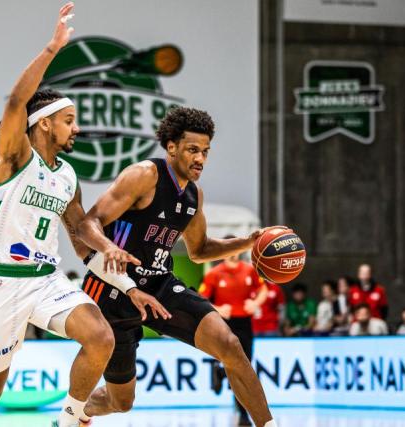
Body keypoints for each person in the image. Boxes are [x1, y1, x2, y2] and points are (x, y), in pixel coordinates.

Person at [0, 5, 119, 427]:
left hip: (46, 280)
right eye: (69, 121)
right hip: (2, 285)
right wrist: (52, 48)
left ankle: (69, 418)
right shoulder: (14, 158)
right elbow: (16, 101)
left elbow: (79, 233)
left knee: (101, 337)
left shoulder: (67, 175)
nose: (76, 129)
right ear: (44, 124)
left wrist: (122, 278)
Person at [76, 105, 279, 427]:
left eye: (206, 152)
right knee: (120, 402)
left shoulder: (193, 196)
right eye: (192, 150)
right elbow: (87, 224)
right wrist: (109, 247)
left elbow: (199, 251)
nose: (200, 159)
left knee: (230, 345)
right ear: (171, 146)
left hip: (160, 286)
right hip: (114, 290)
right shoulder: (144, 175)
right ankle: (83, 411)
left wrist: (248, 241)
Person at [198, 248, 267, 426]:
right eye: (228, 251)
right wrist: (218, 309)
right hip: (224, 325)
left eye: (235, 250)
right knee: (236, 368)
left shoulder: (249, 270)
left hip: (245, 323)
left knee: (244, 367)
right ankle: (243, 414)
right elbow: (200, 299)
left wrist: (256, 302)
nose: (232, 254)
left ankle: (220, 373)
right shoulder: (214, 273)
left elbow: (263, 290)